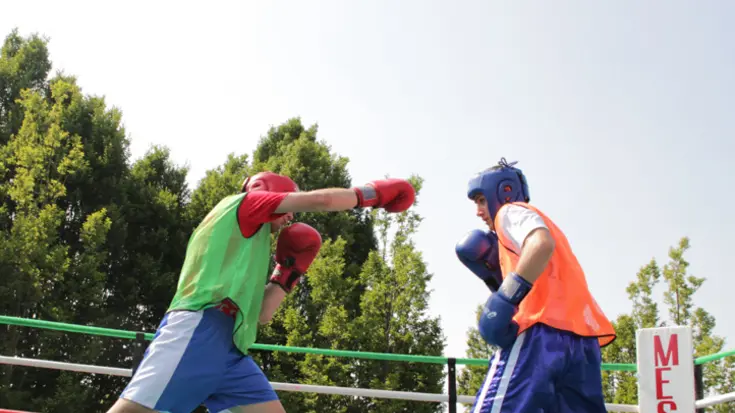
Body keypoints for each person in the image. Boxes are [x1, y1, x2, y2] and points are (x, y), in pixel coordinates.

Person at [107, 171, 416, 413]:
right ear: (269, 192)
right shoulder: (243, 205)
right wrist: (370, 195)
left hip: (231, 346)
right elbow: (319, 202)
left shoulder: (249, 245)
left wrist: (287, 273)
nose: (291, 217)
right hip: (198, 330)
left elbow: (263, 314)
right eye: (287, 203)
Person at [455, 158, 616, 412]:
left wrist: (505, 298)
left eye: (481, 200)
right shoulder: (548, 226)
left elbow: (541, 244)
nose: (478, 211)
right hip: (583, 341)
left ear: (502, 193)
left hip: (539, 336)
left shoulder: (509, 212)